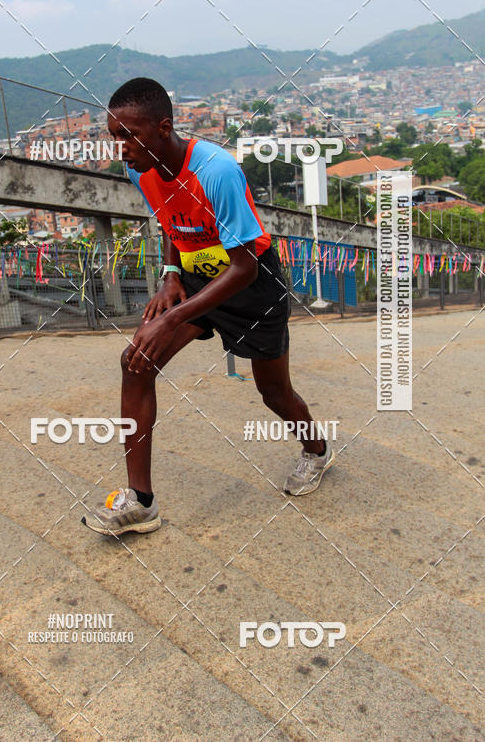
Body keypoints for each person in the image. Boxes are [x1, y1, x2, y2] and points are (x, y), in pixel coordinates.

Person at [82, 78, 334, 537]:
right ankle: (141, 502)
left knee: (273, 393)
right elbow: (171, 223)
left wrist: (173, 317)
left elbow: (244, 268)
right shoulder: (140, 168)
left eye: (129, 135)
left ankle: (316, 450)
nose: (121, 148)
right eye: (114, 136)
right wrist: (170, 276)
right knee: (135, 364)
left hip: (251, 285)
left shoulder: (216, 170)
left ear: (164, 127)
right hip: (196, 280)